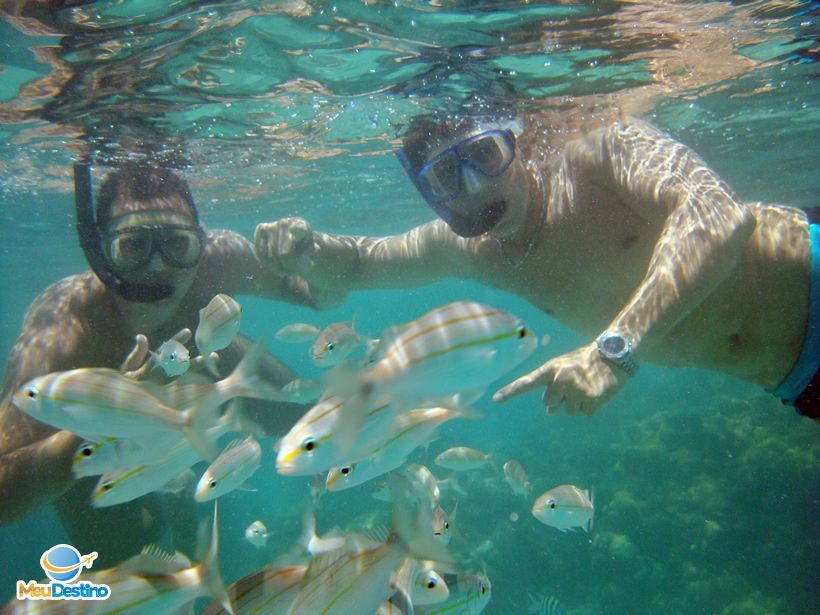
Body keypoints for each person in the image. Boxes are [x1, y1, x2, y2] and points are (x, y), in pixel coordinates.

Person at [254, 113, 818, 420]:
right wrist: (307, 251)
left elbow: (717, 217)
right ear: (429, 196)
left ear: (517, 144)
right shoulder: (466, 249)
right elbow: (357, 265)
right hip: (796, 384)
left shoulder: (601, 152)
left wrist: (612, 352)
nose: (474, 189)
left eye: (484, 154)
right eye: (446, 178)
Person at [0, 162, 336, 565]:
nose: (158, 266)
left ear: (202, 242)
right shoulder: (67, 328)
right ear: (99, 253)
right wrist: (101, 415)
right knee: (125, 554)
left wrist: (312, 256)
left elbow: (319, 293)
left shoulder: (220, 261)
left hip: (205, 368)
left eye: (177, 245)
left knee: (308, 424)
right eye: (133, 246)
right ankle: (174, 502)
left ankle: (184, 474)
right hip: (100, 445)